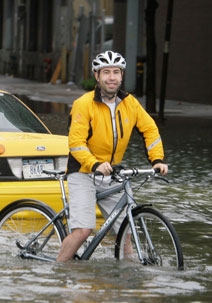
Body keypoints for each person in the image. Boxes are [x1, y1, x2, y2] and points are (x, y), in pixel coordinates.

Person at [56, 50, 168, 262]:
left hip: (112, 172)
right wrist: (94, 163)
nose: (111, 77)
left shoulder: (130, 103)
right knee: (83, 230)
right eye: (106, 72)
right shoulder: (83, 103)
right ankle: (59, 272)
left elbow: (150, 130)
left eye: (116, 72)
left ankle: (129, 277)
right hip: (83, 172)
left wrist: (157, 160)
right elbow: (76, 143)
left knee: (125, 231)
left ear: (122, 76)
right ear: (97, 76)